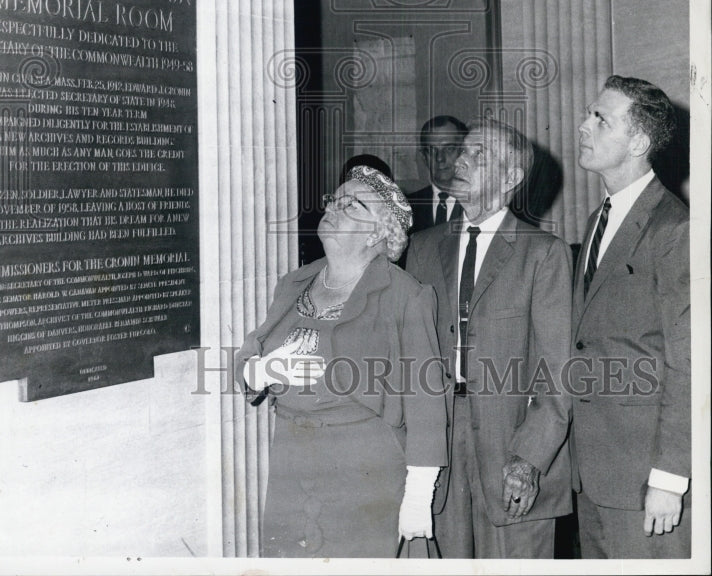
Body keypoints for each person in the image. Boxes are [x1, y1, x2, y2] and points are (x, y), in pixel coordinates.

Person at [236, 166, 447, 558]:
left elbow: (428, 404)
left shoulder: (405, 295)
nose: (334, 207)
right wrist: (260, 370)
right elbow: (250, 353)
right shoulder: (294, 282)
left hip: (363, 468)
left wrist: (419, 494)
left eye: (352, 205)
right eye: (335, 200)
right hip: (291, 463)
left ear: (377, 233)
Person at [405, 117, 572, 558]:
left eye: (481, 155)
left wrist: (529, 459)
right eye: (464, 151)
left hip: (512, 445)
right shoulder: (422, 247)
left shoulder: (543, 253)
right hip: (437, 447)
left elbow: (557, 374)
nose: (461, 160)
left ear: (511, 178)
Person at [572, 75, 690, 558]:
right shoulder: (598, 219)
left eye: (601, 119)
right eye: (589, 114)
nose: (583, 126)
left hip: (644, 476)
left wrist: (670, 477)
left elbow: (689, 362)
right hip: (595, 470)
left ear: (638, 142)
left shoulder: (674, 227)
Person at [406, 115, 468, 231]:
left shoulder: (480, 202)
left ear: (463, 151)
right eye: (431, 150)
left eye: (449, 149)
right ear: (423, 157)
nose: (440, 158)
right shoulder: (407, 207)